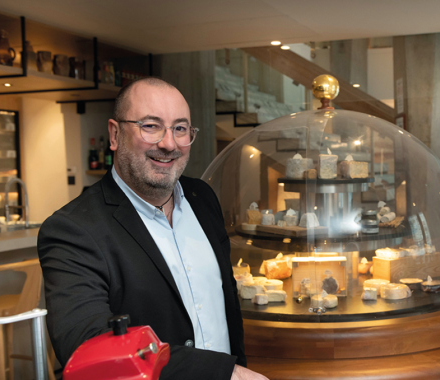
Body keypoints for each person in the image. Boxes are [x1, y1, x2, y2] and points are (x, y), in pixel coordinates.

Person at [38, 78, 268, 380]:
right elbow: (87, 343)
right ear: (115, 134)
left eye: (180, 128)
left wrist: (237, 364)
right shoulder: (72, 229)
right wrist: (223, 373)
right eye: (150, 126)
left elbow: (226, 308)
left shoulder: (203, 198)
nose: (169, 143)